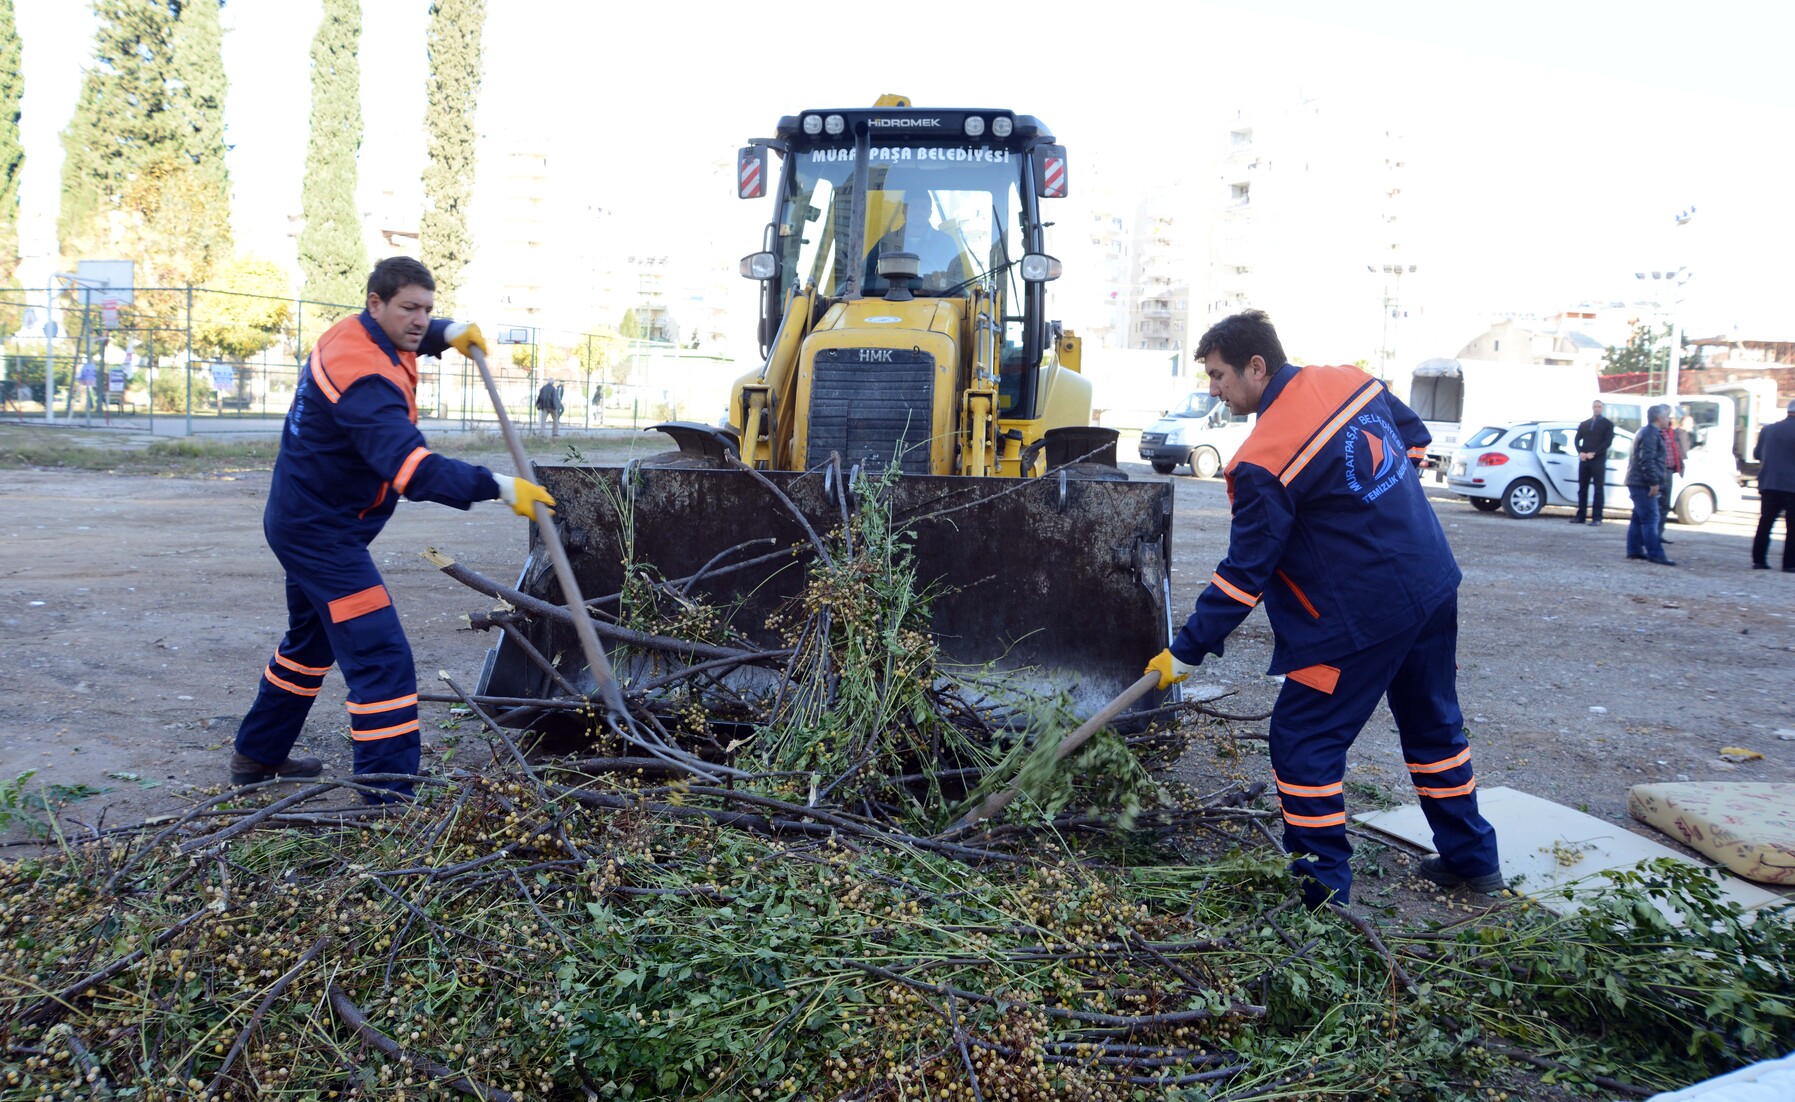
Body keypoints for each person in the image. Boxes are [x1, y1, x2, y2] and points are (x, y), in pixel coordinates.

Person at [1143, 309, 1502, 908]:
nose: (1213, 389)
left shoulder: (1263, 461)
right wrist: (1380, 508)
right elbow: (1414, 439)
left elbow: (1244, 576)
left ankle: (1321, 894)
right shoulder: (1350, 381)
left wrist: (1187, 650)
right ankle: (1474, 861)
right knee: (1434, 725)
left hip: (1358, 620)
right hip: (1431, 584)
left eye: (1219, 375)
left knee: (1303, 741)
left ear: (1257, 366)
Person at [231, 257, 556, 800]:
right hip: (322, 537)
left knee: (310, 644)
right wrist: (498, 486)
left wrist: (447, 332)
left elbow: (408, 332)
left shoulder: (358, 331)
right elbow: (413, 471)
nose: (419, 320)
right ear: (375, 302)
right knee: (381, 655)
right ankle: (388, 796)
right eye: (410, 308)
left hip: (307, 519)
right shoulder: (366, 380)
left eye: (427, 308)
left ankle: (257, 756)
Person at [874, 193, 966, 292]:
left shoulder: (946, 243)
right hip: (891, 299)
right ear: (904, 210)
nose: (918, 211)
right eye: (914, 206)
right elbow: (867, 275)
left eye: (923, 207)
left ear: (930, 213)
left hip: (937, 299)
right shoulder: (886, 242)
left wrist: (937, 284)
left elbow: (957, 282)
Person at [1624, 404, 1674, 566]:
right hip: (1642, 483)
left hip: (1637, 481)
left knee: (1639, 517)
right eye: (1667, 417)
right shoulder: (1651, 434)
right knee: (1651, 518)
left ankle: (1634, 550)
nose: (1669, 420)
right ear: (1659, 418)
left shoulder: (1646, 432)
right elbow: (1647, 460)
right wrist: (1653, 482)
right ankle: (1655, 553)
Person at [1751, 398, 1795, 572]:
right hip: (1792, 486)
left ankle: (1759, 560)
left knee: (1765, 522)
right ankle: (1789, 563)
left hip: (1769, 483)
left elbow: (1757, 454)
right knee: (1792, 527)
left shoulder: (1768, 430)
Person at [1571, 399, 1614, 525]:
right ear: (1592, 408)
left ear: (1602, 408)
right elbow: (1577, 439)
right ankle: (1581, 516)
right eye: (1595, 406)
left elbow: (1607, 442)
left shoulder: (1608, 424)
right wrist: (1581, 452)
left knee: (1598, 489)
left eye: (1599, 407)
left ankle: (1597, 517)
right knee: (1582, 488)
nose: (1597, 409)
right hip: (1585, 460)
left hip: (1598, 460)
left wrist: (1594, 453)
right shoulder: (1585, 424)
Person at [1659, 409, 1683, 543]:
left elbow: (1676, 449)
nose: (1669, 419)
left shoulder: (1671, 432)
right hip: (1660, 470)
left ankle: (1659, 533)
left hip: (1669, 470)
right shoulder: (1656, 433)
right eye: (1667, 416)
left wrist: (1680, 464)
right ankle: (1652, 535)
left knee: (1665, 504)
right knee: (1657, 504)